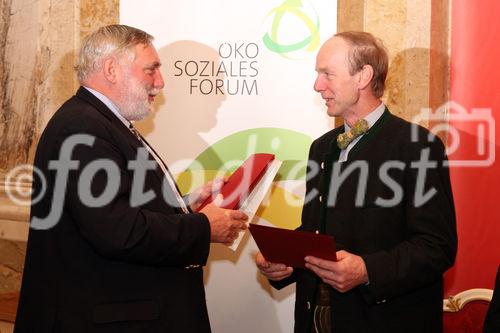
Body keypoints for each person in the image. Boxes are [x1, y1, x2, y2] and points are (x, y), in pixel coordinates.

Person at [15, 25, 247, 333]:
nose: (160, 82)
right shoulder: (82, 129)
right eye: (151, 70)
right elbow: (118, 231)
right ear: (111, 69)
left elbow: (120, 208)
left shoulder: (101, 121)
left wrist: (186, 204)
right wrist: (203, 227)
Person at [255, 31, 457, 333]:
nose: (317, 85)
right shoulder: (322, 147)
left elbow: (436, 247)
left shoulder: (417, 146)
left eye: (327, 74)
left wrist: (366, 271)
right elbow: (318, 232)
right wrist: (283, 262)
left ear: (363, 76)